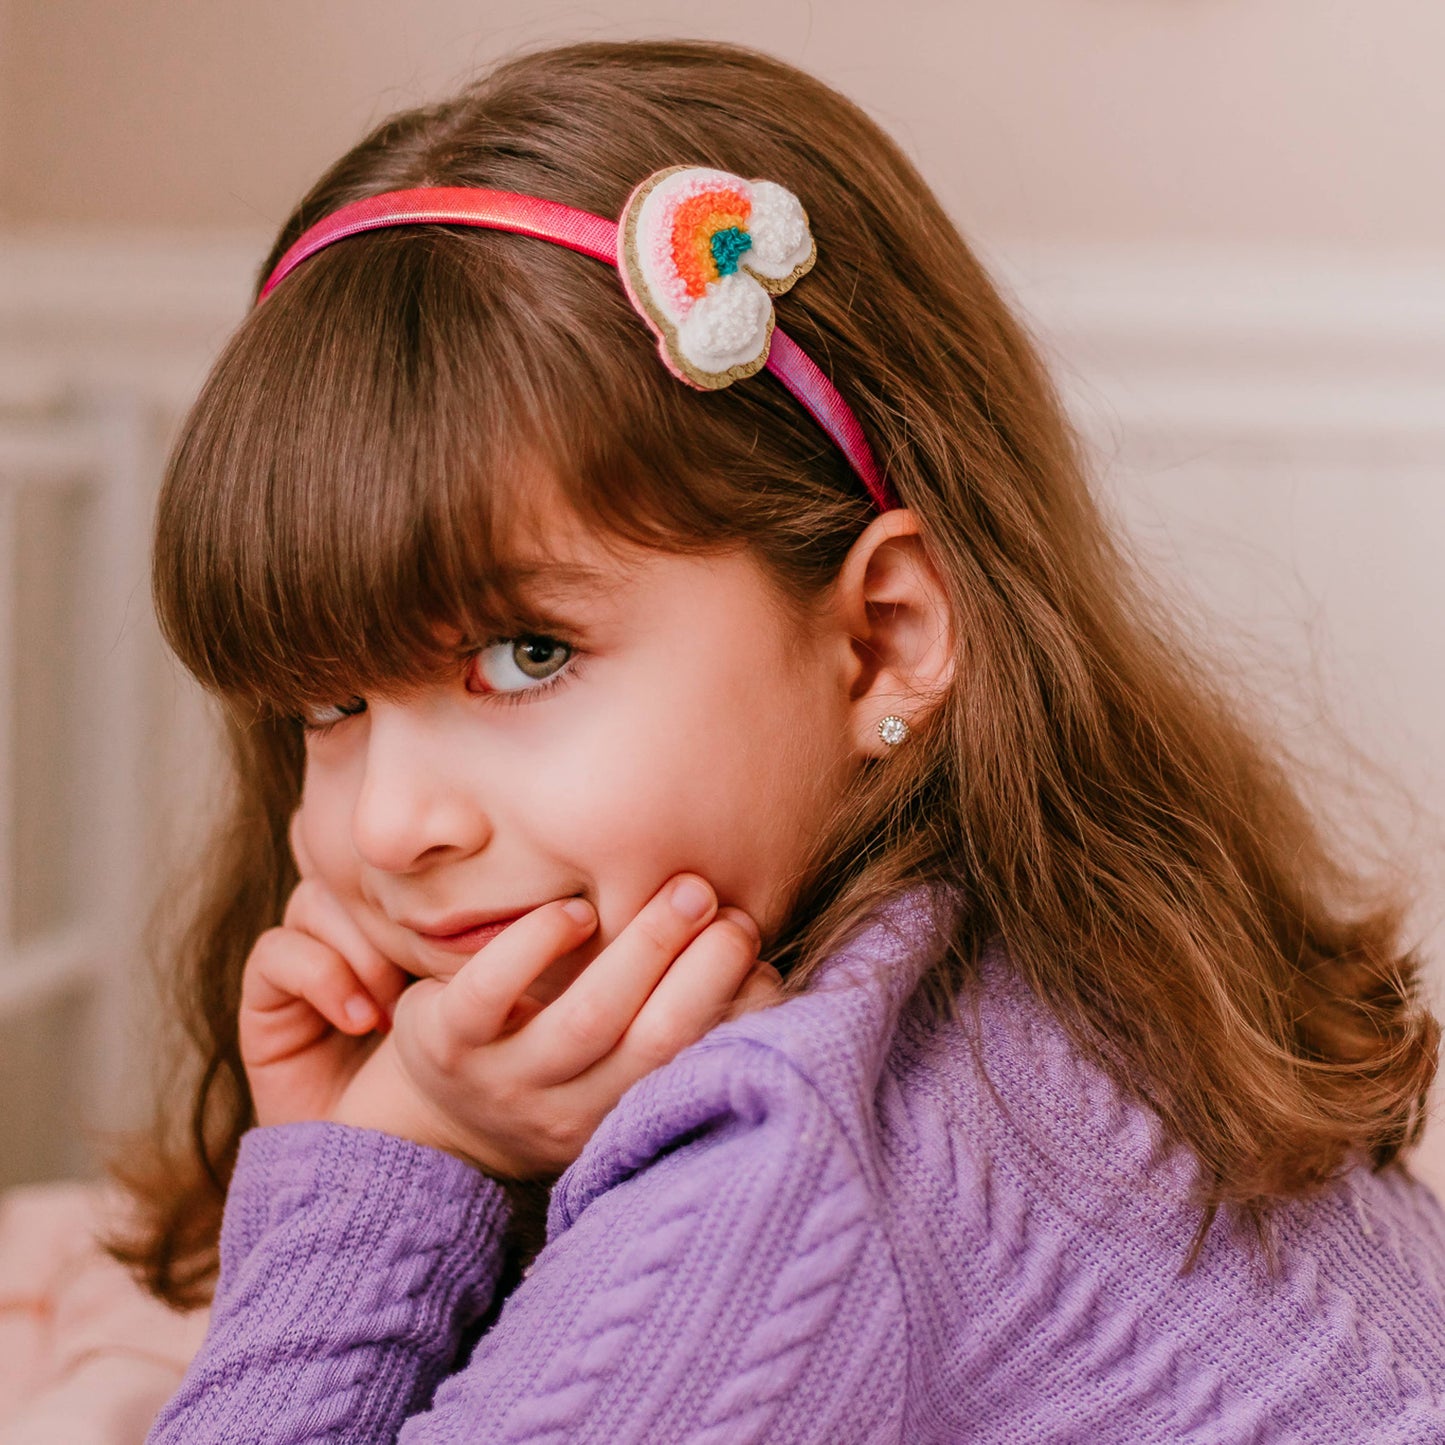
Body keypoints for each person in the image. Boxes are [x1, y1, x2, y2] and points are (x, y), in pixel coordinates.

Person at [127, 37, 1445, 1443]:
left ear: (880, 637)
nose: (390, 825)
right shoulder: (1018, 990)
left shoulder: (777, 1144)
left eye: (526, 655)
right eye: (328, 706)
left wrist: (378, 1173)